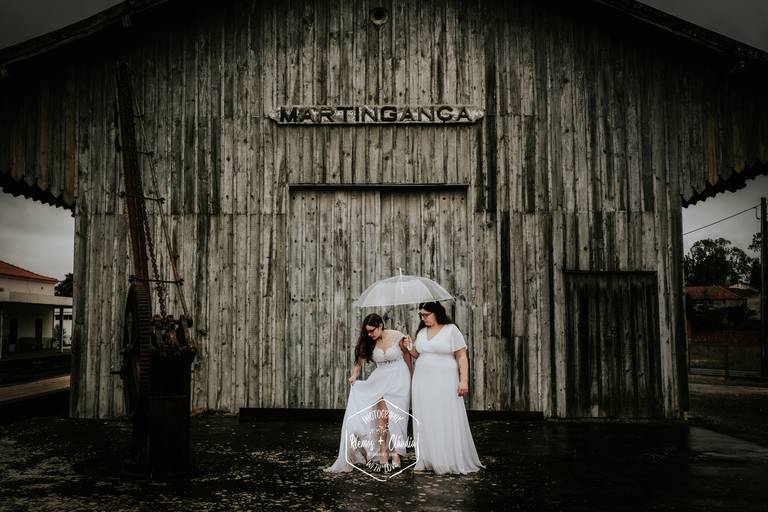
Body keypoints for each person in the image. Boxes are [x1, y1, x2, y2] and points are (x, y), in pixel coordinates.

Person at [400, 301, 484, 474]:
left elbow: (461, 356)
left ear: (436, 313)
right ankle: (428, 458)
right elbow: (418, 354)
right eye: (421, 315)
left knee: (444, 415)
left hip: (445, 380)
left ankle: (448, 458)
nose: (423, 318)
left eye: (426, 315)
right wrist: (409, 346)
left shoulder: (451, 330)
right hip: (422, 381)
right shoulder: (421, 332)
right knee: (426, 417)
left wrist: (464, 381)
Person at [325, 313, 413, 473]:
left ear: (381, 326)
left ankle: (396, 453)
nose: (370, 334)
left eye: (372, 330)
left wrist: (411, 377)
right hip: (381, 379)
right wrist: (354, 376)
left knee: (398, 416)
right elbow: (359, 362)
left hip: (400, 377)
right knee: (383, 416)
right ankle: (382, 452)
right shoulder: (368, 341)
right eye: (368, 331)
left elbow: (407, 356)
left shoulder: (397, 336)